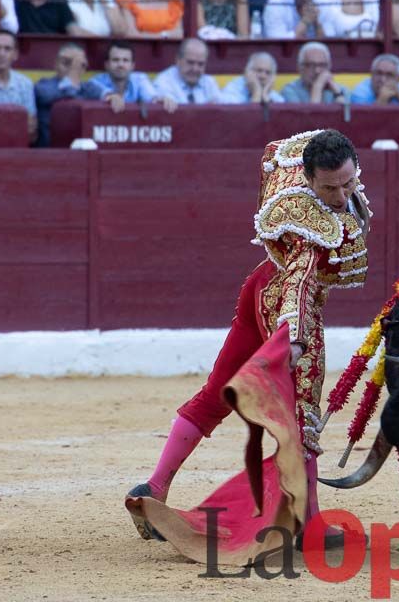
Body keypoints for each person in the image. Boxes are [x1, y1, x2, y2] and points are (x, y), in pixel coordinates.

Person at [126, 129, 372, 560]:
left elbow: (279, 151)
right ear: (310, 181)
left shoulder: (300, 170)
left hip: (257, 286)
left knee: (217, 391)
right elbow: (298, 280)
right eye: (329, 187)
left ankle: (155, 485)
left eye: (347, 183)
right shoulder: (309, 225)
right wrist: (295, 337)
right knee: (303, 414)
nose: (339, 195)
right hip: (287, 307)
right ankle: (310, 525)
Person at [84, 40, 177, 112]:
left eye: (125, 60)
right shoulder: (96, 81)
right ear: (107, 65)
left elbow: (151, 96)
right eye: (115, 60)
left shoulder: (140, 79)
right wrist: (110, 96)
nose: (120, 64)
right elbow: (89, 86)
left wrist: (159, 99)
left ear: (132, 66)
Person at [34, 43, 91, 146]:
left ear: (83, 67)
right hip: (49, 152)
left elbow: (105, 94)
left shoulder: (89, 88)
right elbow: (45, 96)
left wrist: (111, 96)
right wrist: (71, 81)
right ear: (55, 64)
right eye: (66, 62)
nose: (71, 68)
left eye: (75, 64)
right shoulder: (43, 86)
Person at [154, 38, 223, 103]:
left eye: (201, 64)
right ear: (178, 60)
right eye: (190, 62)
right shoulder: (164, 81)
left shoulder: (209, 82)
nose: (195, 69)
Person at [281, 42, 350, 103]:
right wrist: (317, 87)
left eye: (322, 65)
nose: (317, 71)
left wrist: (338, 94)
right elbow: (308, 117)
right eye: (311, 65)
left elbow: (346, 116)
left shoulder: (341, 90)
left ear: (329, 67)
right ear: (299, 68)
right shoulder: (290, 91)